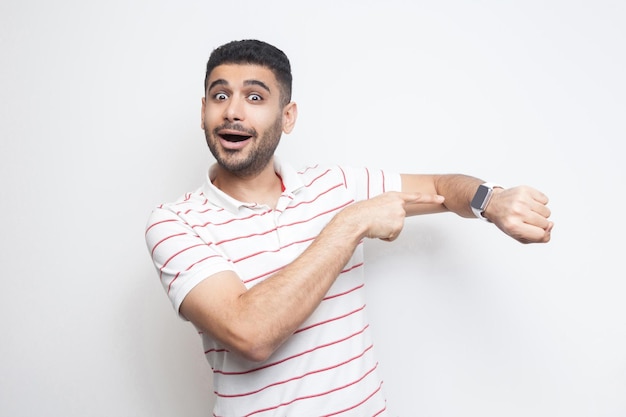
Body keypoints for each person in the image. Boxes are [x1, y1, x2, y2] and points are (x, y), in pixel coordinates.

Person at [145, 39, 553, 417]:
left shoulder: (336, 185)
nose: (233, 111)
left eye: (255, 97)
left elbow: (438, 187)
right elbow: (251, 333)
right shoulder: (175, 222)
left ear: (287, 117)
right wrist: (352, 222)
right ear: (203, 111)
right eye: (221, 96)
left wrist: (491, 201)